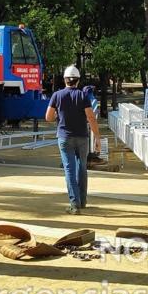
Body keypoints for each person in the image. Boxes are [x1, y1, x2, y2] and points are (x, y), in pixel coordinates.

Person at [45, 65, 101, 214]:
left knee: (69, 170)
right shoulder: (83, 96)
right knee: (82, 168)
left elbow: (48, 117)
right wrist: (97, 137)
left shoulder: (57, 95)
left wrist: (58, 115)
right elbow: (91, 117)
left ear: (65, 80)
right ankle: (82, 201)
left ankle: (74, 204)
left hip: (64, 138)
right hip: (82, 137)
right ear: (78, 80)